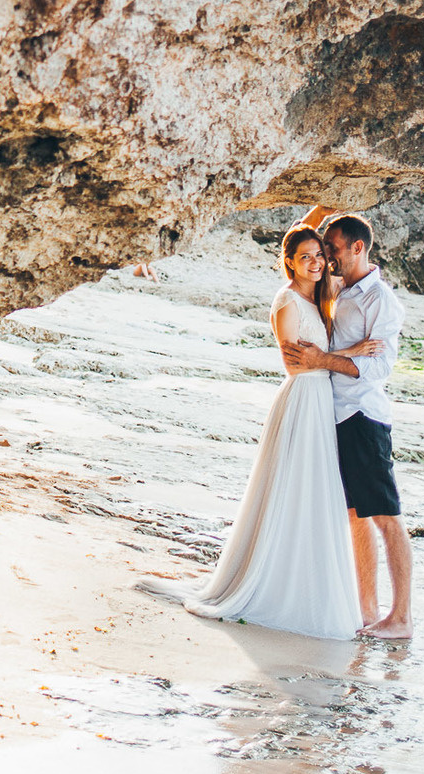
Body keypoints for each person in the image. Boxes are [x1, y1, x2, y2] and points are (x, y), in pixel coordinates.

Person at [137, 224, 371, 639]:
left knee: (316, 495)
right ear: (289, 263)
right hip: (302, 400)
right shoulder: (287, 303)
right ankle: (272, 586)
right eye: (305, 257)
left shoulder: (320, 297)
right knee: (292, 490)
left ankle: (308, 584)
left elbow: (363, 275)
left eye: (319, 255)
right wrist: (348, 354)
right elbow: (294, 366)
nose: (316, 263)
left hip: (322, 404)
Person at [283, 211, 414, 640]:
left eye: (335, 248)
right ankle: (366, 609)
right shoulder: (338, 289)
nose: (329, 257)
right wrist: (317, 216)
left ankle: (401, 617)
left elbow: (380, 367)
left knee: (386, 516)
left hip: (363, 417)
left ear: (358, 247)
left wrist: (323, 361)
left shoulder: (381, 301)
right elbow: (297, 255)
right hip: (333, 415)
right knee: (356, 516)